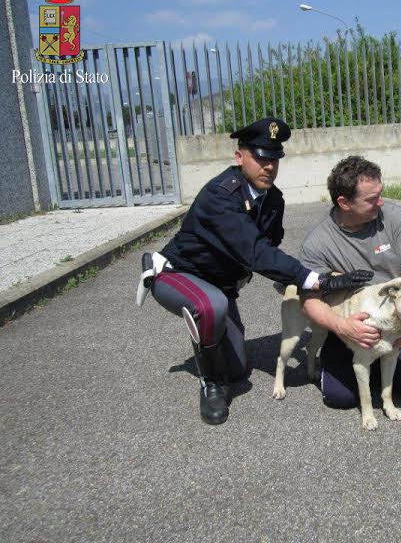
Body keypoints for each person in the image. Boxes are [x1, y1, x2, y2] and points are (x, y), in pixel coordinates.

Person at [139, 118, 372, 425]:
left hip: (220, 284)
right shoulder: (219, 196)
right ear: (239, 157)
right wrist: (317, 280)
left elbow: (269, 252)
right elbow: (256, 252)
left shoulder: (273, 199)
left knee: (238, 371)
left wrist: (298, 282)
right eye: (261, 157)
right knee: (211, 307)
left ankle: (214, 347)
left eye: (275, 158)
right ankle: (210, 384)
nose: (269, 166)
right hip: (179, 274)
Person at [300, 156, 401, 408]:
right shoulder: (317, 244)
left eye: (380, 194)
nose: (381, 202)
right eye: (372, 199)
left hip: (400, 321)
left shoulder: (394, 217)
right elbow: (309, 302)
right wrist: (343, 328)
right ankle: (364, 365)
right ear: (344, 202)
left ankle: (380, 367)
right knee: (340, 398)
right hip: (353, 326)